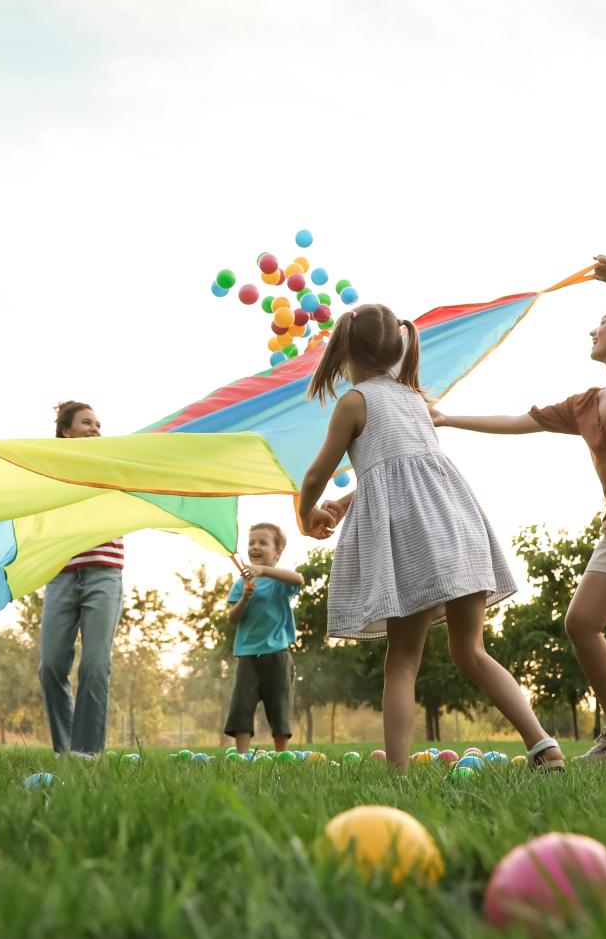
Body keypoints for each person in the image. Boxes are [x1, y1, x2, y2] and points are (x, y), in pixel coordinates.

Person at [434, 255, 606, 764]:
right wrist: (448, 419)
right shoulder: (586, 403)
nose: (593, 331)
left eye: (601, 323)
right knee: (581, 622)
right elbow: (522, 420)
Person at [299, 303, 564, 772]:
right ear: (399, 347)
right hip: (458, 528)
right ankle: (543, 745)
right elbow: (405, 472)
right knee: (472, 652)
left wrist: (307, 512)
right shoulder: (415, 400)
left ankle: (398, 777)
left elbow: (321, 472)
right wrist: (351, 500)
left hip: (414, 541)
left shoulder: (355, 402)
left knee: (402, 660)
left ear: (345, 351)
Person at [37, 401, 123, 756]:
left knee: (94, 664)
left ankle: (87, 754)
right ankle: (65, 749)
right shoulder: (49, 472)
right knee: (51, 666)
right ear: (65, 432)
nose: (95, 429)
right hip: (60, 575)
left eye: (98, 424)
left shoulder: (114, 465)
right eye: (87, 423)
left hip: (104, 573)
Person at [224, 523, 303, 754]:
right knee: (242, 706)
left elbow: (298, 579)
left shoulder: (280, 581)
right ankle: (241, 754)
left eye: (262, 542)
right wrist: (245, 599)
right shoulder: (241, 584)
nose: (255, 547)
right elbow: (233, 618)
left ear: (277, 552)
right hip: (248, 654)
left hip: (277, 654)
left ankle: (281, 754)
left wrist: (263, 571)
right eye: (251, 543)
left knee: (279, 707)